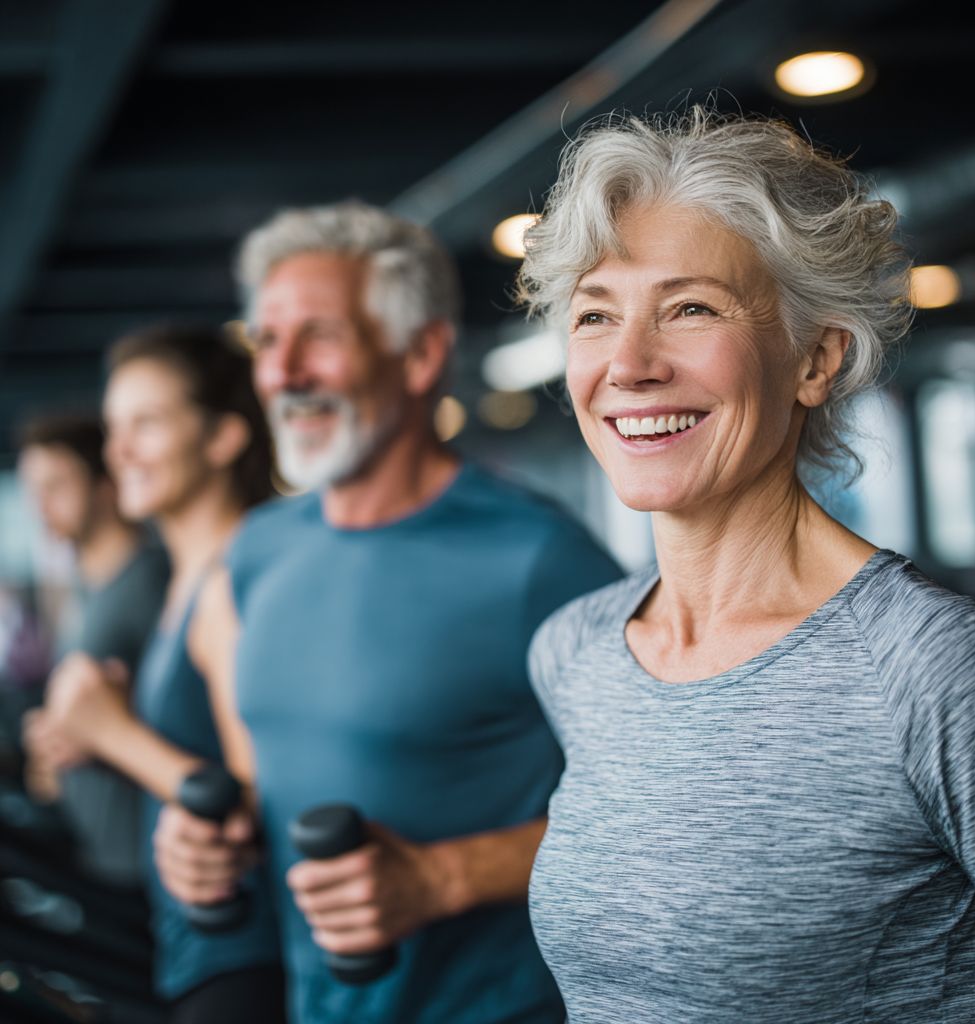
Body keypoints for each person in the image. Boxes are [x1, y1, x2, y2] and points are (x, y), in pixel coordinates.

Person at [518, 108, 975, 1023]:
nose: (628, 363)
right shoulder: (576, 653)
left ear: (816, 359)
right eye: (596, 314)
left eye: (691, 308)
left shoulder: (933, 670)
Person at [151, 201, 622, 1024]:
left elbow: (658, 815)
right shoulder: (258, 549)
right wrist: (205, 847)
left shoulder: (538, 558)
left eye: (320, 336)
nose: (284, 372)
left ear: (419, 354)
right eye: (267, 340)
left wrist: (441, 877)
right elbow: (284, 775)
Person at [27, 326, 286, 1024]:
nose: (119, 452)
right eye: (115, 428)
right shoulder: (186, 582)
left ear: (223, 437)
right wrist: (95, 741)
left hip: (242, 955)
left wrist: (111, 734)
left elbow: (259, 807)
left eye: (146, 423)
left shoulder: (233, 582)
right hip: (194, 940)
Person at [19, 413, 169, 885]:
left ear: (106, 484)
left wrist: (100, 735)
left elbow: (187, 719)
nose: (40, 505)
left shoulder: (151, 582)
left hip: (148, 861)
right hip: (100, 851)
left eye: (57, 485)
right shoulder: (84, 590)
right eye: (33, 490)